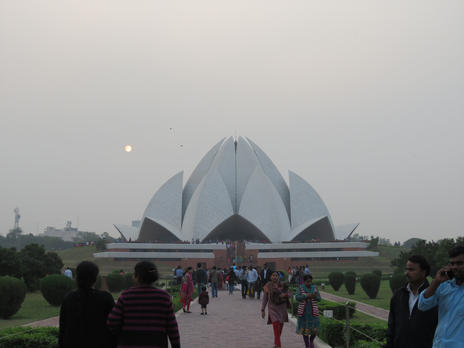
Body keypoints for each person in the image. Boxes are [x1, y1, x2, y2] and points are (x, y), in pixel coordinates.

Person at [107, 261, 180, 348]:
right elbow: (172, 327)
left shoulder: (126, 296)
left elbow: (112, 322)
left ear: (137, 277)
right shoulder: (164, 297)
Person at [384, 255, 437, 348]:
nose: (407, 273)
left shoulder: (433, 296)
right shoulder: (398, 295)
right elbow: (392, 325)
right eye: (406, 269)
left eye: (411, 270)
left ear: (423, 272)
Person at [59, 261, 115, 348]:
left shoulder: (69, 298)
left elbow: (63, 328)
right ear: (95, 278)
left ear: (77, 277)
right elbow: (114, 325)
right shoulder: (105, 298)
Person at [418, 245, 464, 348]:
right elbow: (422, 305)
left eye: (460, 263)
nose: (455, 267)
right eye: (452, 263)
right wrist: (436, 282)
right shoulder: (444, 286)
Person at [261, 271, 291, 348]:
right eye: (273, 275)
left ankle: (276, 343)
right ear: (270, 277)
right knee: (275, 325)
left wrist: (284, 295)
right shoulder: (267, 286)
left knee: (280, 327)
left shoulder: (283, 285)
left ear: (278, 277)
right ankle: (278, 345)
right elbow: (265, 299)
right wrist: (262, 310)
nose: (274, 277)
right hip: (272, 308)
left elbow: (289, 294)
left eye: (276, 275)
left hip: (282, 308)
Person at [295, 274, 320, 348]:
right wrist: (306, 296)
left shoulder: (314, 288)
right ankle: (307, 346)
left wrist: (315, 296)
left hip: (313, 312)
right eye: (307, 282)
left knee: (315, 330)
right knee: (305, 331)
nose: (309, 283)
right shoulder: (300, 288)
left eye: (310, 282)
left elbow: (319, 298)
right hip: (304, 313)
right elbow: (297, 297)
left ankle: (311, 340)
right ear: (304, 281)